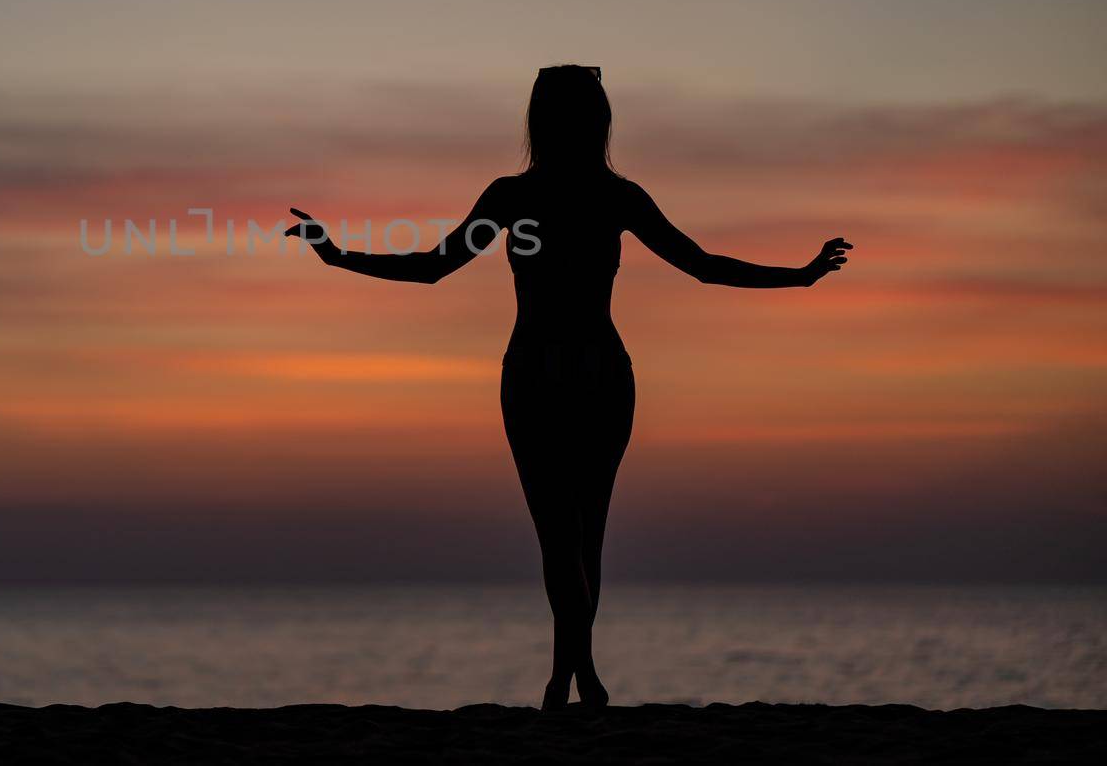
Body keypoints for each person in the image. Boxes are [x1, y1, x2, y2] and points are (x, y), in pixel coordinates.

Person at [285, 65, 851, 709]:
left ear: (538, 120)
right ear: (598, 120)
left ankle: (570, 678)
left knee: (562, 535)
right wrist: (799, 277)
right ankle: (577, 676)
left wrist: (339, 255)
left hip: (540, 373)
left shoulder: (516, 196)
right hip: (599, 372)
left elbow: (433, 268)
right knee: (585, 535)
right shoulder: (612, 196)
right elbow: (703, 267)